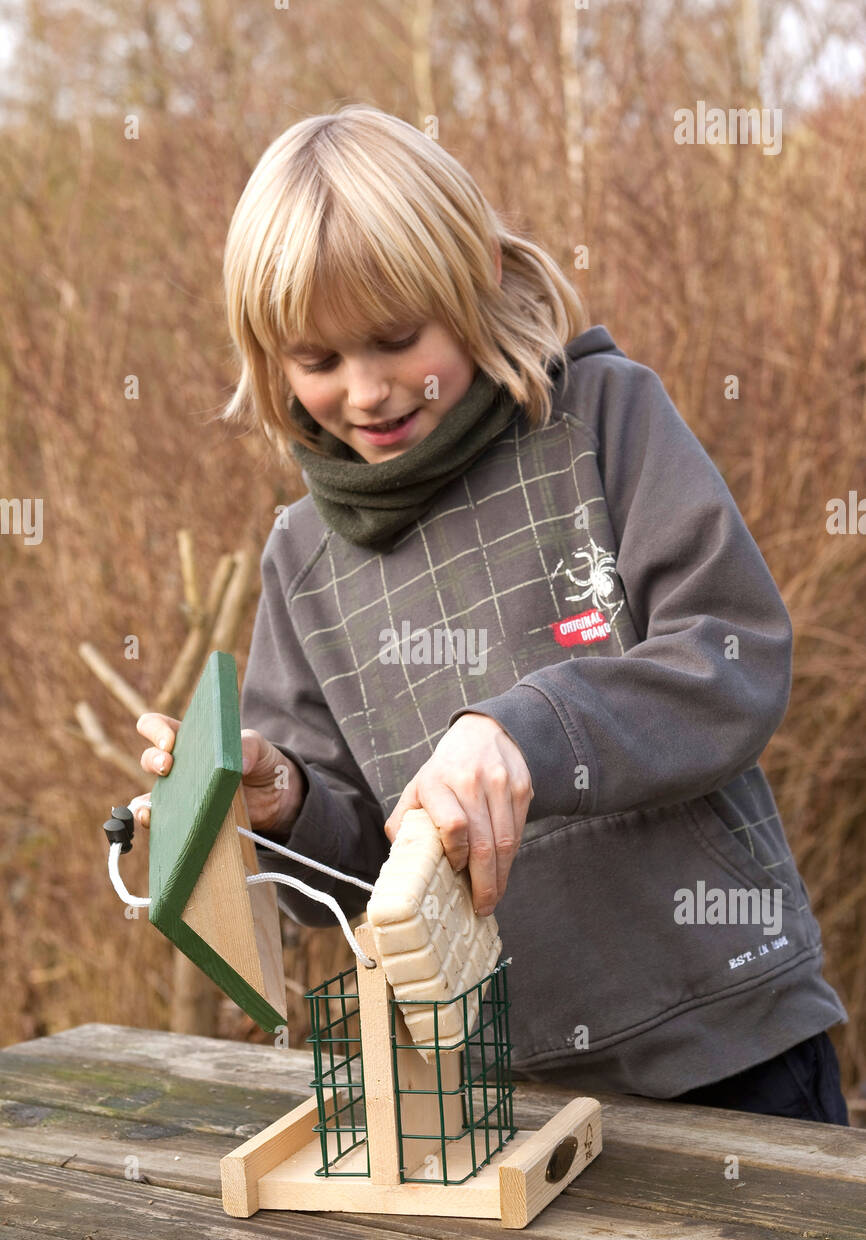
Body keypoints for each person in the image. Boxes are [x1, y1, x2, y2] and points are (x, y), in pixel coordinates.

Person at [136, 102, 848, 1124]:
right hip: (497, 1098)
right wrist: (283, 801)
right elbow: (339, 883)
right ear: (267, 359)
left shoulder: (604, 420)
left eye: (394, 339)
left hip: (727, 1043)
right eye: (317, 360)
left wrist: (520, 732)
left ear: (471, 286)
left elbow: (728, 662)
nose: (368, 390)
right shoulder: (299, 558)